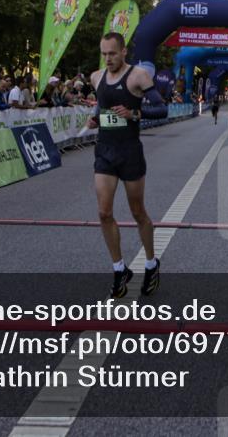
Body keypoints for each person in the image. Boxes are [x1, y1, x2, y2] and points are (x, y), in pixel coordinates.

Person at [81, 32, 168, 299]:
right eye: (104, 53)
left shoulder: (138, 76)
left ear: (123, 52)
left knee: (138, 212)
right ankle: (119, 269)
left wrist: (134, 114)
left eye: (112, 53)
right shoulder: (97, 77)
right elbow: (102, 109)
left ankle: (152, 264)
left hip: (130, 152)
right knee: (104, 212)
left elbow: (162, 109)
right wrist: (94, 119)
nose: (107, 58)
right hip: (105, 151)